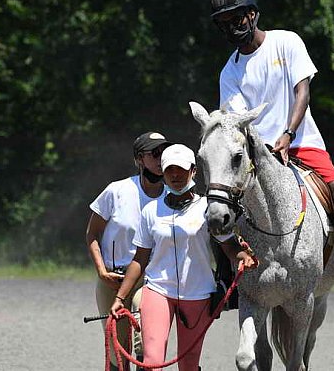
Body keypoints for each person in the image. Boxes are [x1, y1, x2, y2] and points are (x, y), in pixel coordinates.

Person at [210, 0, 334, 292]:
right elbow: (240, 121)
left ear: (253, 14)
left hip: (300, 141)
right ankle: (225, 276)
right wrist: (262, 150)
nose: (232, 27)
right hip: (257, 153)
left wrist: (288, 132)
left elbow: (303, 91)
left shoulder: (286, 42)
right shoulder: (228, 72)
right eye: (224, 23)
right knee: (219, 203)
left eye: (237, 18)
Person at [110, 144, 256, 371]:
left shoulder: (208, 208)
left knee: (189, 365)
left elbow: (228, 244)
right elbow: (140, 259)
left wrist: (242, 256)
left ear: (193, 171)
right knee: (152, 362)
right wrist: (120, 298)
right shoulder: (151, 210)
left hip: (197, 293)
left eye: (181, 169)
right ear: (163, 174)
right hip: (157, 290)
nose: (175, 175)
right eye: (170, 170)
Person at [86, 131, 171, 371]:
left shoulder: (171, 198)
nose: (160, 158)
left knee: (146, 345)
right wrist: (102, 272)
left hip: (151, 281)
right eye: (154, 153)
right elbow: (92, 234)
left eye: (164, 152)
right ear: (139, 159)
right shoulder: (116, 191)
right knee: (118, 352)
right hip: (113, 279)